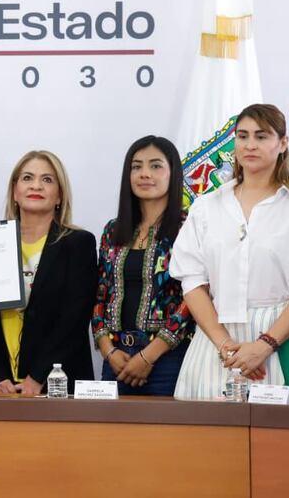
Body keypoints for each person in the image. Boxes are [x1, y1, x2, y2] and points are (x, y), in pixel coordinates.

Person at [172, 104, 289, 400]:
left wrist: (264, 346)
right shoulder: (206, 207)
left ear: (283, 143)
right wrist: (225, 345)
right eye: (242, 136)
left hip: (285, 342)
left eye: (262, 137)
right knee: (207, 442)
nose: (250, 145)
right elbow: (192, 281)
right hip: (217, 344)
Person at [0, 150, 97, 395]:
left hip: (57, 383)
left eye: (47, 180)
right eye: (27, 178)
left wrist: (38, 376)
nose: (36, 185)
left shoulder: (78, 244)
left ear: (59, 195)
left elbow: (74, 320)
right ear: (15, 191)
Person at [91, 136, 193, 395]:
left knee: (167, 436)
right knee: (110, 436)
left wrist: (148, 356)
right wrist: (108, 350)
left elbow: (193, 299)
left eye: (156, 166)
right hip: (116, 361)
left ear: (173, 174)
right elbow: (100, 294)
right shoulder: (113, 230)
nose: (145, 174)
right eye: (136, 167)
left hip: (169, 359)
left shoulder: (189, 226)